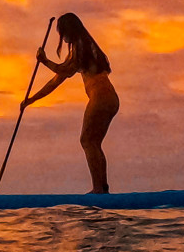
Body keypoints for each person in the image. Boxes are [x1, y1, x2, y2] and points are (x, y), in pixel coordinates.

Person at [25, 12, 118, 194]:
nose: (62, 37)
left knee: (87, 141)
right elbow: (55, 81)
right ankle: (103, 188)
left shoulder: (81, 45)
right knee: (94, 142)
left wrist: (44, 60)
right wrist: (30, 100)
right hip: (110, 99)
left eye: (63, 32)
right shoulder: (82, 48)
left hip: (101, 98)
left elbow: (65, 71)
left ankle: (98, 189)